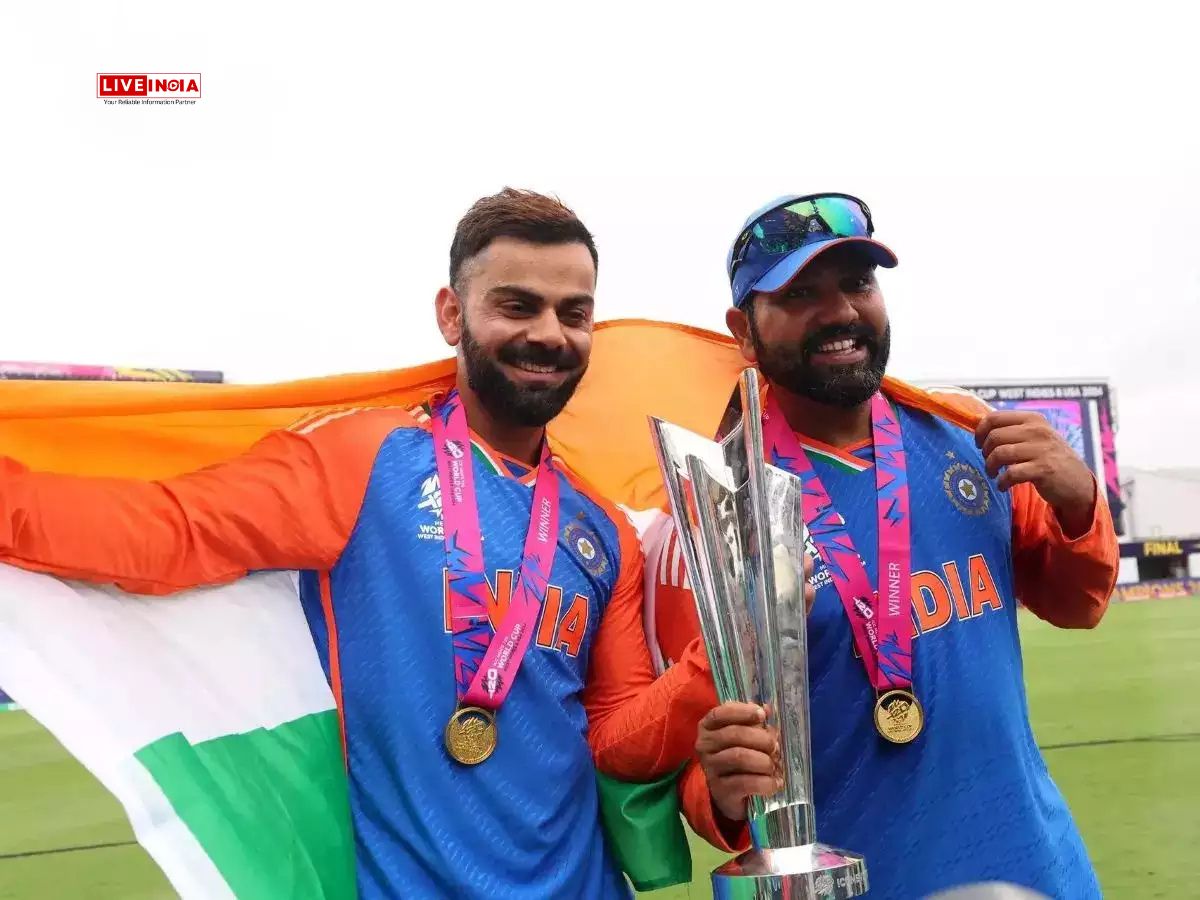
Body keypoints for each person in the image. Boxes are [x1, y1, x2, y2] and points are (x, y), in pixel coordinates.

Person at [0, 189, 729, 899]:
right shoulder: (366, 458)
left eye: (574, 313)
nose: (549, 333)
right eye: (517, 306)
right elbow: (171, 531)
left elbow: (616, 740)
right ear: (452, 315)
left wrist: (717, 660)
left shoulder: (600, 528)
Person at [645, 193, 1118, 899]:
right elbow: (695, 763)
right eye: (800, 294)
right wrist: (720, 788)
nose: (840, 311)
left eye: (858, 283)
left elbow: (1079, 603)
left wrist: (1079, 502)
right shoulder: (710, 512)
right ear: (744, 330)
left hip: (1037, 872)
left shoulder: (969, 438)